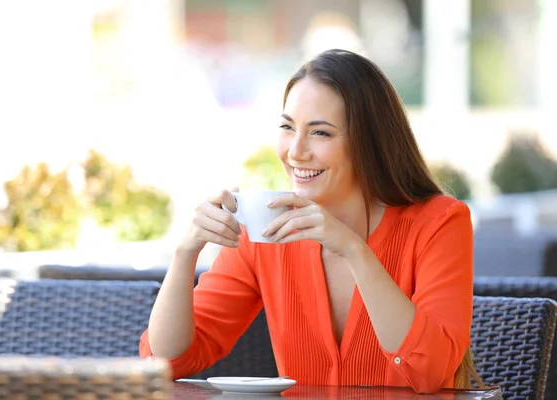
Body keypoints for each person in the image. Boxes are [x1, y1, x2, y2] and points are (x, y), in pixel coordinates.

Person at [139, 49, 483, 394]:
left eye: (321, 133)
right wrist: (185, 252)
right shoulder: (265, 231)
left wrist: (353, 249)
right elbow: (167, 361)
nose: (295, 151)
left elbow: (431, 372)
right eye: (288, 128)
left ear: (370, 143)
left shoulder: (439, 223)